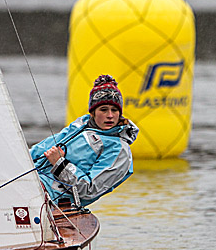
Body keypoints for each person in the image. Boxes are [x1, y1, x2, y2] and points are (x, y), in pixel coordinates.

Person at [30, 74, 138, 208]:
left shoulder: (119, 150)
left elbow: (89, 191)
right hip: (32, 183)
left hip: (52, 201)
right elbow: (40, 149)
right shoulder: (79, 126)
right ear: (93, 112)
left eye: (114, 110)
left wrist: (60, 164)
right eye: (103, 110)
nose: (110, 115)